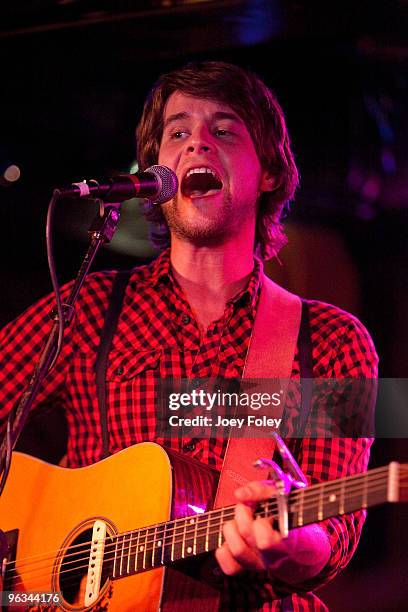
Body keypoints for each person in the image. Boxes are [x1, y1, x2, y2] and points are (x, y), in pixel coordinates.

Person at [0, 62, 378, 610]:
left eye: (224, 130)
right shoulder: (86, 309)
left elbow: (335, 537)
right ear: (156, 172)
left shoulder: (337, 342)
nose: (198, 143)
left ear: (269, 170)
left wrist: (292, 542)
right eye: (178, 132)